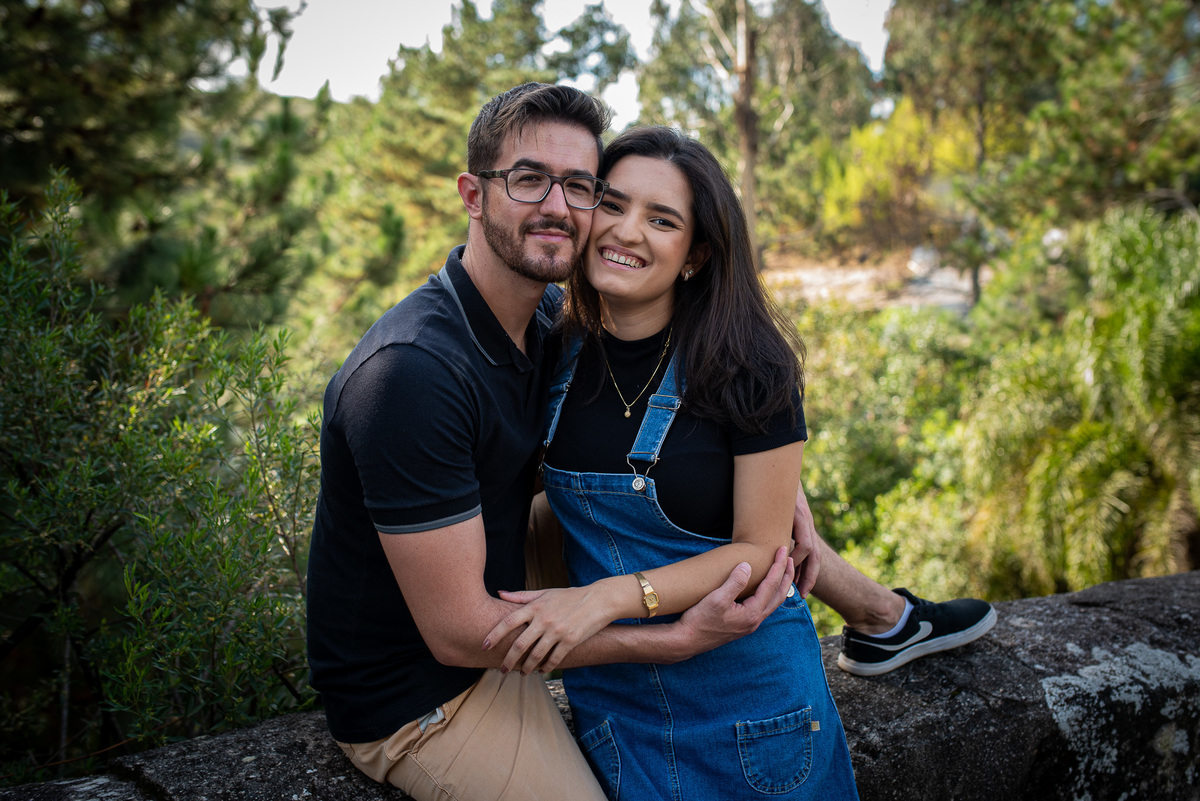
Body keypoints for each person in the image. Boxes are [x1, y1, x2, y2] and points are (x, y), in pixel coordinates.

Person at [305, 83, 797, 801]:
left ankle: (885, 615)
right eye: (529, 179)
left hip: (503, 583)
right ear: (473, 195)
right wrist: (670, 639)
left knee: (725, 506)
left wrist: (777, 501)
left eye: (580, 186)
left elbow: (709, 428)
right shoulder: (411, 373)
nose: (558, 207)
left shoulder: (549, 324)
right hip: (425, 691)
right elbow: (458, 634)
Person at [484, 126, 858, 800]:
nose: (627, 231)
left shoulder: (750, 366)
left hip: (751, 704)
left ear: (696, 253)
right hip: (615, 707)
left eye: (662, 220)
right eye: (613, 203)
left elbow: (759, 548)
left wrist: (604, 597)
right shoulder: (551, 345)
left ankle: (887, 617)